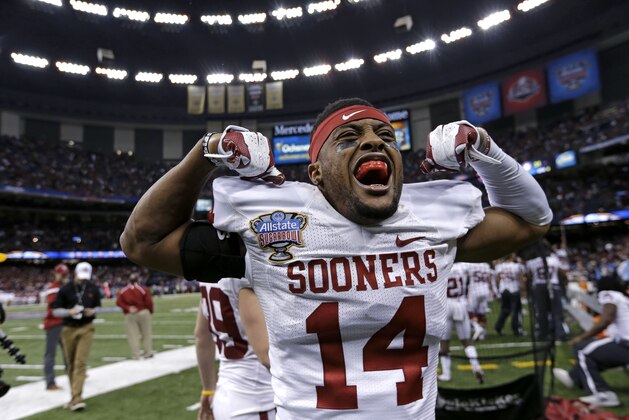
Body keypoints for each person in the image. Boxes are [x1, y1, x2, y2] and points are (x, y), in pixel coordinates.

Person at [121, 98, 552, 418]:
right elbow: (142, 241)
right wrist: (207, 151)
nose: (372, 142)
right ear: (316, 174)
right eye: (349, 138)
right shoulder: (274, 233)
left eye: (386, 137)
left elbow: (533, 221)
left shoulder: (431, 223)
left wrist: (486, 152)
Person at [195, 278, 275, 420]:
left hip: (223, 395)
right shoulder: (245, 271)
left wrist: (208, 389)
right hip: (258, 401)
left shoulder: (206, 275)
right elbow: (266, 354)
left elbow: (201, 336)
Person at [553, 275, 629, 407]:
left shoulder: (609, 294)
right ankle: (574, 377)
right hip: (623, 343)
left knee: (582, 349)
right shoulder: (623, 298)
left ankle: (603, 394)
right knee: (596, 354)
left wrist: (582, 337)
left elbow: (605, 320)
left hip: (625, 344)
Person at [52, 261, 101, 412]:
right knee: (71, 364)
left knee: (80, 363)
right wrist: (69, 312)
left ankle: (77, 398)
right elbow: (55, 311)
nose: (83, 280)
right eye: (81, 277)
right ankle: (74, 397)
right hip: (68, 329)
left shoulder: (93, 288)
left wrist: (92, 311)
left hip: (86, 328)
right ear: (75, 274)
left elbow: (98, 306)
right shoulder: (65, 289)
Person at [439, 262, 484, 384]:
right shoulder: (464, 266)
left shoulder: (441, 264)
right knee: (466, 341)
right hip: (460, 304)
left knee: (444, 342)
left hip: (445, 305)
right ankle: (476, 367)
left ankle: (447, 373)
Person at [521, 242, 568, 341]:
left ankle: (543, 334)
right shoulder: (554, 260)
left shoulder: (532, 262)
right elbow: (563, 274)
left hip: (539, 287)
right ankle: (559, 333)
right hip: (553, 286)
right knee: (556, 311)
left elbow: (529, 277)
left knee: (541, 312)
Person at [42, 263, 70, 391]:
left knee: (69, 353)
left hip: (64, 324)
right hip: (54, 324)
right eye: (62, 274)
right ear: (56, 274)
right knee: (50, 354)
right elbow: (55, 307)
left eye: (65, 274)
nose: (63, 277)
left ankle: (72, 375)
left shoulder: (65, 287)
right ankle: (50, 382)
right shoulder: (53, 288)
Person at [116, 272, 154, 360]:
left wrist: (127, 308)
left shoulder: (124, 290)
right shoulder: (143, 289)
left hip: (130, 314)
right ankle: (147, 353)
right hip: (143, 312)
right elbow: (149, 302)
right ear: (138, 280)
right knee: (146, 333)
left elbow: (118, 302)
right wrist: (150, 311)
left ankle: (135, 355)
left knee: (133, 335)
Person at [494, 255, 526, 336]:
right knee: (515, 311)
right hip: (514, 289)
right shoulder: (517, 266)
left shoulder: (499, 266)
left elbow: (497, 279)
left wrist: (498, 290)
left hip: (503, 289)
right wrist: (523, 290)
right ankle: (516, 329)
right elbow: (520, 279)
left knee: (505, 309)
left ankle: (498, 326)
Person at [464, 262, 496, 341]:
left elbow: (466, 274)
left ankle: (477, 328)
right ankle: (482, 335)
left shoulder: (471, 265)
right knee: (482, 313)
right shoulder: (486, 265)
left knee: (469, 312)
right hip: (485, 290)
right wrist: (493, 290)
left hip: (474, 290)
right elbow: (489, 278)